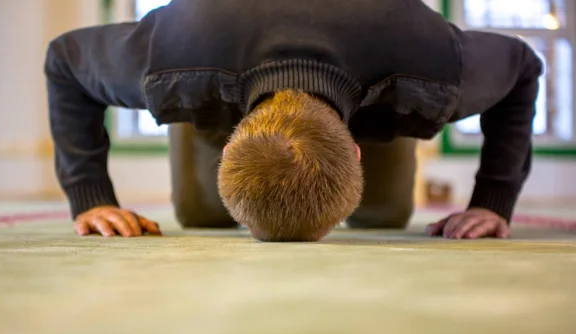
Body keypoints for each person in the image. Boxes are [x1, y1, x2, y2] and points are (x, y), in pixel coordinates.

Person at [44, 0, 543, 242]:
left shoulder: (433, 71)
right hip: (215, 54)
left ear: (354, 150)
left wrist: (493, 203)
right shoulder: (170, 63)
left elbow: (522, 68)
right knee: (202, 219)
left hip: (382, 77)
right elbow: (65, 60)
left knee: (383, 218)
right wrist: (92, 199)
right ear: (226, 136)